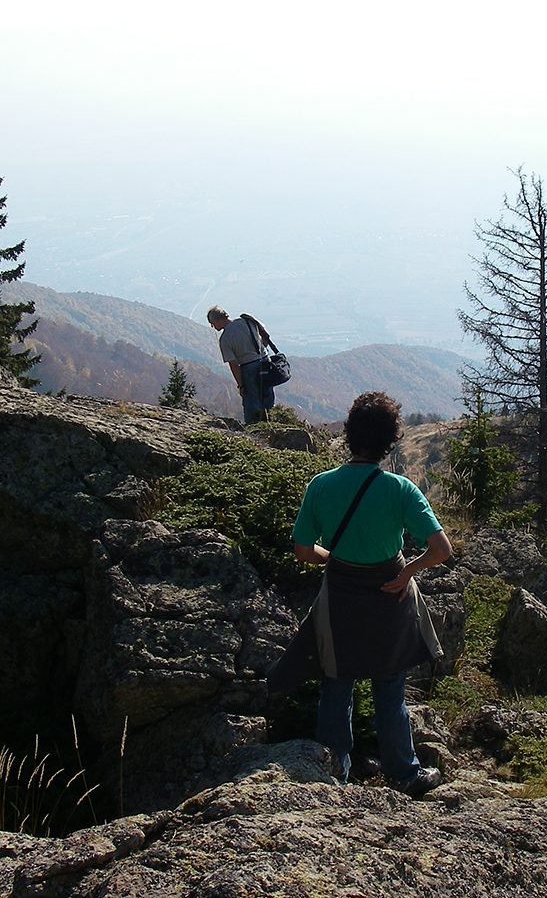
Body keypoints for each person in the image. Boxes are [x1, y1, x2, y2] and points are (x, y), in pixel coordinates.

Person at [288, 391, 451, 798]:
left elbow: (303, 551)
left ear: (348, 434)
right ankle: (403, 773)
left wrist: (334, 558)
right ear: (389, 440)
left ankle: (331, 773)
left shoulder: (321, 485)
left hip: (341, 594)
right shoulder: (401, 489)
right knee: (390, 688)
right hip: (388, 597)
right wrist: (407, 573)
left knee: (336, 684)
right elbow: (441, 550)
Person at [207, 305, 275, 423]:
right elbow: (266, 335)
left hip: (248, 369)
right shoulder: (247, 320)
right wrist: (260, 351)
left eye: (212, 323)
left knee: (252, 404)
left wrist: (241, 385)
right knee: (267, 399)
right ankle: (272, 425)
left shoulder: (225, 339)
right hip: (265, 363)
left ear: (217, 320)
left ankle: (254, 431)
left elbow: (233, 364)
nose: (213, 326)